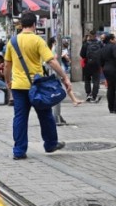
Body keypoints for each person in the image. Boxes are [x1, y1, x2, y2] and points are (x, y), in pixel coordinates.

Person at [4, 12, 71, 160]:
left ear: (21, 25)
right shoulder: (38, 41)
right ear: (35, 25)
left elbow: (7, 65)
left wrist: (8, 81)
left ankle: (19, 151)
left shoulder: (12, 42)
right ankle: (50, 144)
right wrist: (64, 77)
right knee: (45, 116)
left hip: (18, 86)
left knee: (20, 118)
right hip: (36, 86)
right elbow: (51, 61)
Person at [80, 32, 102, 102]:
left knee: (87, 80)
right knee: (96, 81)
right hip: (97, 65)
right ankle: (94, 95)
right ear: (95, 36)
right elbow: (103, 54)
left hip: (88, 64)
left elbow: (82, 55)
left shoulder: (86, 44)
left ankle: (88, 94)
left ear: (89, 36)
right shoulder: (100, 44)